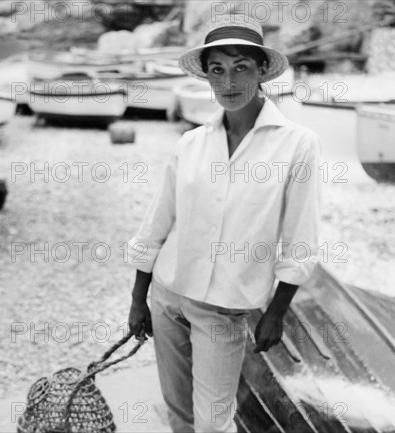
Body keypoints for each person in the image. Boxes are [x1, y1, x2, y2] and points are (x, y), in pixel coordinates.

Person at [126, 12, 321, 433]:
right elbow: (158, 222)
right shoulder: (191, 143)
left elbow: (301, 237)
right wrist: (138, 299)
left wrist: (278, 311)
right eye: (217, 70)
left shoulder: (297, 145)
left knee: (213, 423)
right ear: (207, 77)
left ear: (262, 71)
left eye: (240, 68)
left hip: (224, 308)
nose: (228, 83)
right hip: (166, 294)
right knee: (178, 413)